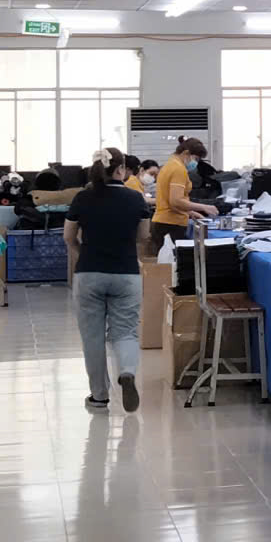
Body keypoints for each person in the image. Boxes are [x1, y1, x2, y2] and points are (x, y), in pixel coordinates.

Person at [63, 156, 153, 411]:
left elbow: (68, 236)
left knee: (92, 337)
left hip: (89, 273)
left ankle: (99, 396)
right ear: (121, 169)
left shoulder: (82, 197)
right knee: (126, 331)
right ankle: (126, 371)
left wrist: (83, 254)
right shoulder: (136, 198)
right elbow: (143, 236)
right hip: (126, 272)